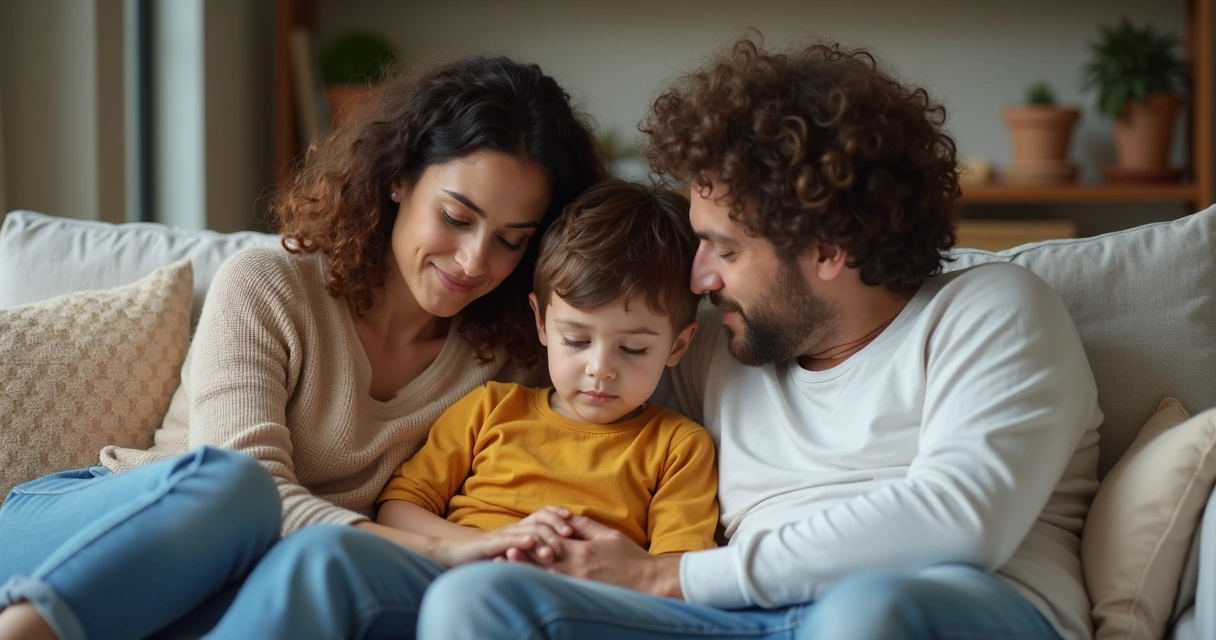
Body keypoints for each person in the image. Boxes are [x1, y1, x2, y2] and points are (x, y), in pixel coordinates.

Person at [414, 37, 1103, 640]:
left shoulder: (991, 309)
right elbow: (579, 372)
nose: (699, 276)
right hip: (737, 619)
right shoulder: (716, 346)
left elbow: (962, 519)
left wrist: (667, 575)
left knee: (863, 613)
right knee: (483, 599)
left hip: (951, 605)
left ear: (828, 249)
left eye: (725, 249)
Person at [0, 54, 602, 640]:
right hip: (88, 534)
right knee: (239, 488)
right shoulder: (268, 285)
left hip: (251, 584)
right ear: (399, 179)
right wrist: (437, 551)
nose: (474, 261)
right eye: (455, 217)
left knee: (329, 566)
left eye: (510, 241)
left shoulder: (515, 361)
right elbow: (252, 492)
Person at [375, 179, 719, 560]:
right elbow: (396, 512)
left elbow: (675, 571)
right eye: (576, 340)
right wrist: (484, 545)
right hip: (452, 569)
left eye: (632, 348)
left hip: (567, 591)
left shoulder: (678, 448)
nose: (600, 369)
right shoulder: (489, 409)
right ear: (541, 322)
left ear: (678, 346)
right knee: (327, 547)